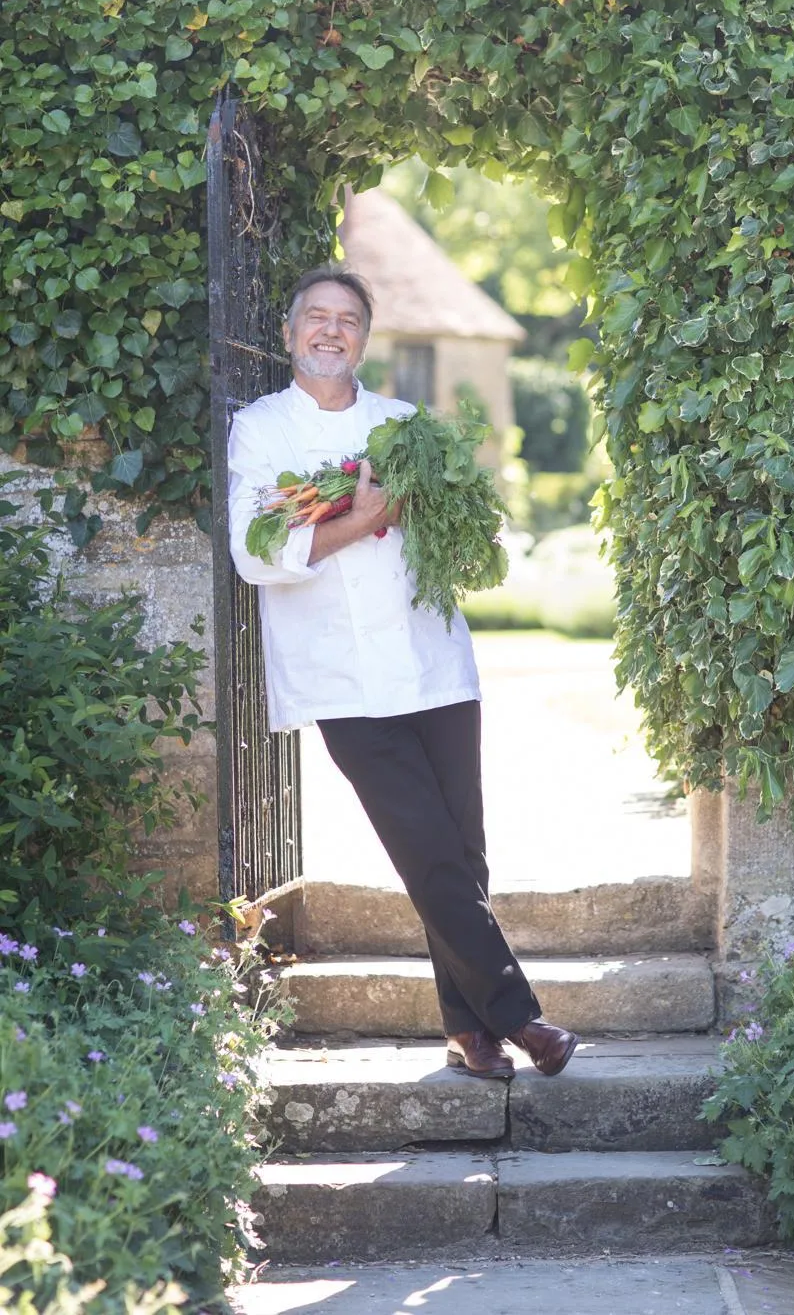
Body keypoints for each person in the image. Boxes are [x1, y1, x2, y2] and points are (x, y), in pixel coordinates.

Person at [227, 264, 579, 1080]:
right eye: (314, 316)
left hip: (434, 665)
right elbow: (255, 552)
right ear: (288, 334)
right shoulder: (262, 431)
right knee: (425, 848)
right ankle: (524, 1022)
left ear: (364, 337)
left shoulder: (404, 423)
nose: (329, 330)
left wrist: (450, 520)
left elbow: (461, 535)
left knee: (461, 850)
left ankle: (468, 1031)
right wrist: (362, 519)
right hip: (343, 678)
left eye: (347, 319)